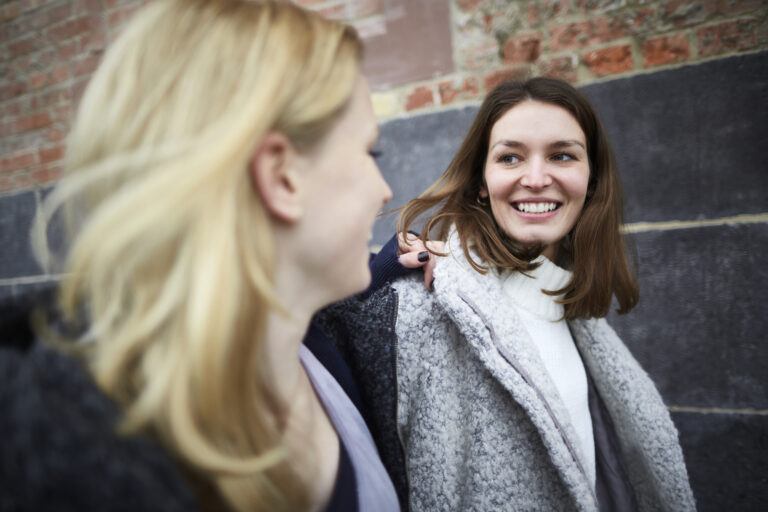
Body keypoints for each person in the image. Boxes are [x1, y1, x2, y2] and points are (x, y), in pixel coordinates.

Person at [0, 1, 403, 511]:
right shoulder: (72, 463)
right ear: (282, 178)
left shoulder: (315, 345)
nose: (384, 190)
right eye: (371, 153)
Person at [320, 77, 697, 511]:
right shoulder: (419, 308)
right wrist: (378, 274)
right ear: (482, 179)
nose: (536, 179)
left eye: (562, 155)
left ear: (591, 178)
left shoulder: (576, 319)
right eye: (510, 157)